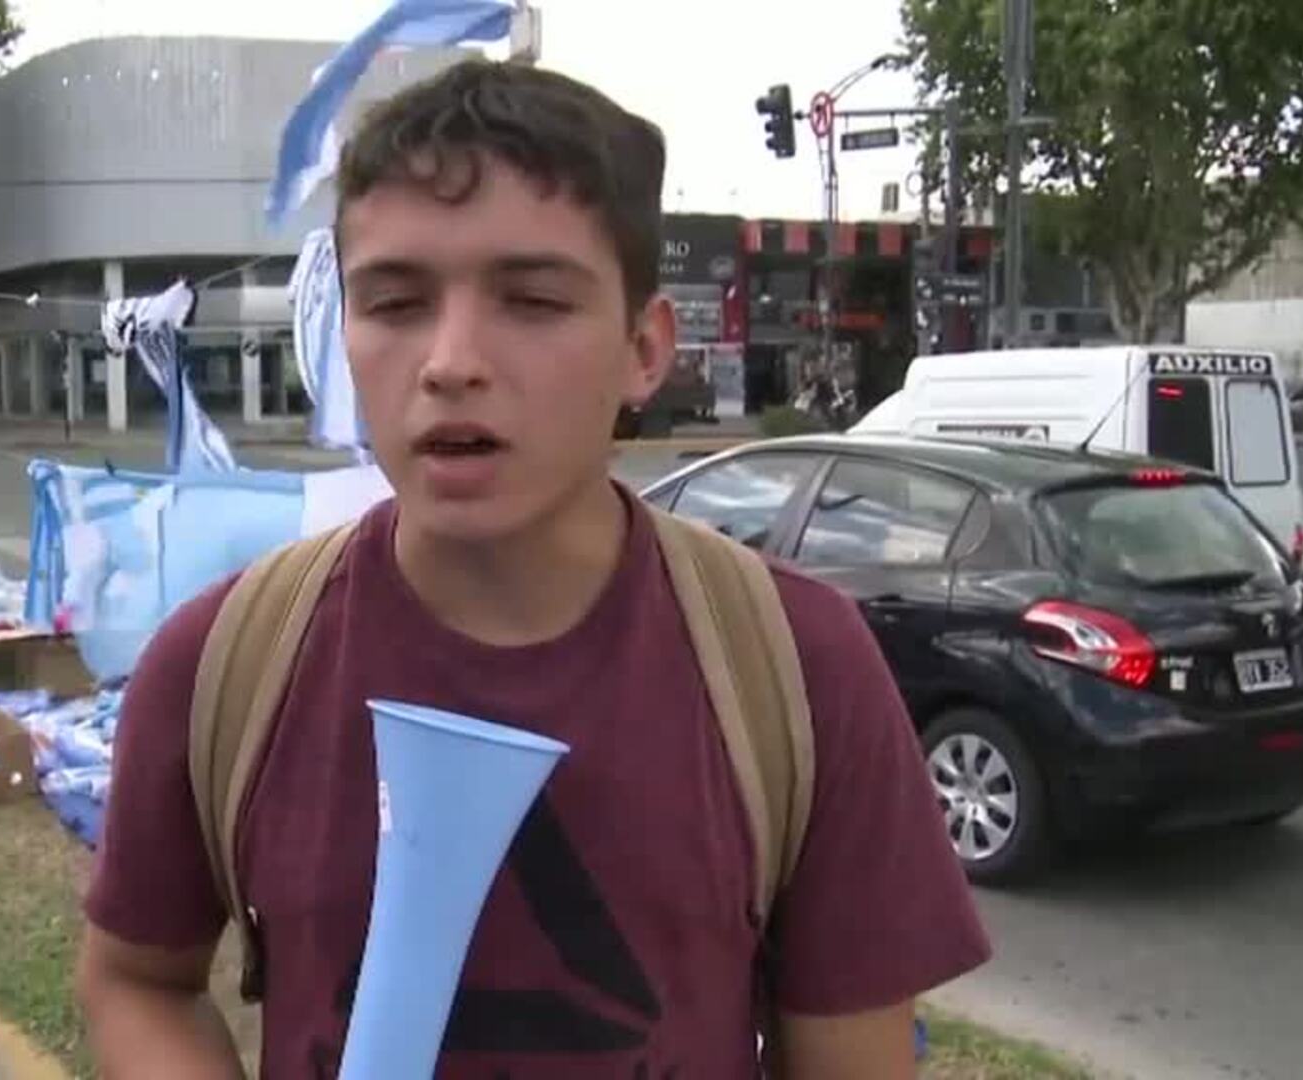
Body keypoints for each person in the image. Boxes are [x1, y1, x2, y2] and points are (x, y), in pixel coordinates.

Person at [76, 59, 991, 1078]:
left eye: (533, 300)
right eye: (396, 302)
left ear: (644, 349)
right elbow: (137, 980)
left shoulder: (798, 671)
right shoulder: (223, 664)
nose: (450, 362)